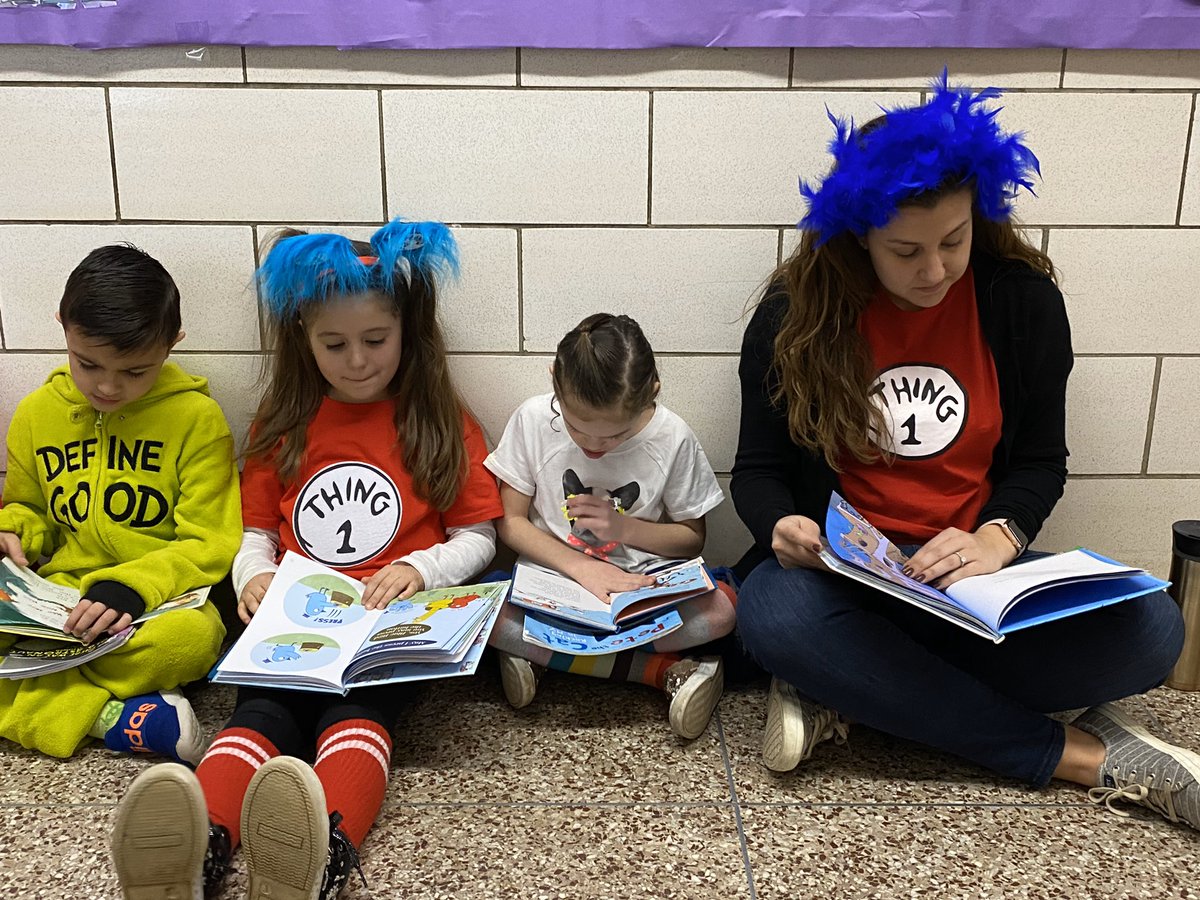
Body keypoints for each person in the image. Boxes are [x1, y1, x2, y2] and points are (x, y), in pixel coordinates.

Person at [732, 73, 1197, 830]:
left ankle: (855, 692)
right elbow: (756, 474)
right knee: (773, 613)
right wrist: (781, 527)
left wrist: (998, 536)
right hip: (850, 581)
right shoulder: (794, 316)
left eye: (954, 240)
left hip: (970, 587)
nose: (935, 270)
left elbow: (1041, 462)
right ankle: (1081, 754)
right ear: (859, 237)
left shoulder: (1021, 303)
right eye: (904, 250)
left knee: (1155, 628)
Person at [110, 219, 504, 900]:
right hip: (299, 623)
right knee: (258, 715)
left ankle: (322, 851)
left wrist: (422, 570)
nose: (357, 360)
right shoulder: (285, 422)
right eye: (335, 344)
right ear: (303, 339)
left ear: (406, 331)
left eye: (375, 340)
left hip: (393, 626)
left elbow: (480, 534)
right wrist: (253, 575)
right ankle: (197, 850)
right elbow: (255, 530)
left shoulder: (437, 418)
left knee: (358, 716)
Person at [0, 244, 239, 762]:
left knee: (191, 643)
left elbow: (212, 541)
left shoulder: (197, 419)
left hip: (160, 604)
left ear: (171, 344)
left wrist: (132, 588)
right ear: (63, 326)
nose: (107, 386)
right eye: (88, 365)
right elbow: (27, 509)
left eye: (135, 372)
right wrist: (15, 532)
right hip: (61, 597)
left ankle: (47, 697)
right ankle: (112, 717)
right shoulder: (36, 414)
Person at [486, 312, 736, 739]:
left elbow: (692, 538)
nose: (593, 446)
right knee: (483, 611)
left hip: (637, 588)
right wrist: (583, 567)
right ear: (555, 383)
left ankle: (546, 658)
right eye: (576, 428)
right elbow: (510, 522)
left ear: (651, 394)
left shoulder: (671, 437)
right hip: (554, 580)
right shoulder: (532, 419)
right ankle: (657, 671)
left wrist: (625, 530)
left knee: (725, 608)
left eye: (615, 436)